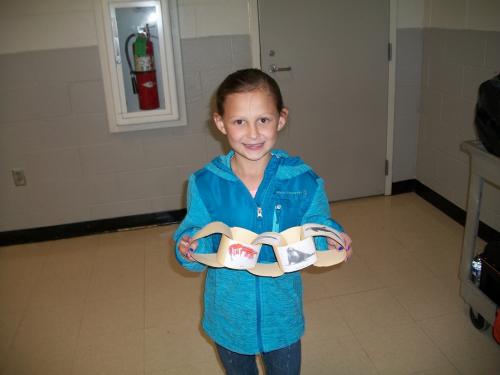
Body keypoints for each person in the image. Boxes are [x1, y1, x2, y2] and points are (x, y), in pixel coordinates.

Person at [173, 68, 352, 374]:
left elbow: (319, 226)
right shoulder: (205, 183)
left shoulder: (303, 181)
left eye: (263, 120)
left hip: (281, 315)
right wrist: (188, 246)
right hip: (228, 315)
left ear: (281, 119)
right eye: (239, 121)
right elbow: (193, 236)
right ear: (220, 123)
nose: (253, 133)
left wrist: (331, 238)